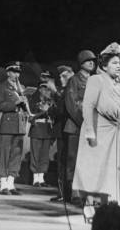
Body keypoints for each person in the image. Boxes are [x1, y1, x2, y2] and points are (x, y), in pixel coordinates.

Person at [72, 43, 120, 223]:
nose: (118, 66)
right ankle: (88, 207)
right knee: (92, 171)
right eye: (114, 63)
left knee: (108, 173)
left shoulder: (117, 83)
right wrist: (89, 131)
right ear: (104, 66)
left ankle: (106, 210)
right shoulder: (96, 79)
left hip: (112, 132)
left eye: (119, 63)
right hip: (97, 130)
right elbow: (88, 105)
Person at [64, 49, 96, 204]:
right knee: (73, 159)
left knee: (86, 161)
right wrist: (84, 122)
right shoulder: (74, 80)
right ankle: (74, 192)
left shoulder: (95, 80)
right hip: (76, 126)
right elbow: (71, 104)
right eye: (88, 60)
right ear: (81, 63)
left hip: (90, 127)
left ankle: (85, 191)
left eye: (93, 60)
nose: (92, 62)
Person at [0, 61, 28, 195]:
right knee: (5, 154)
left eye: (18, 72)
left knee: (16, 154)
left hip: (20, 124)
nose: (16, 74)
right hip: (8, 124)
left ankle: (11, 183)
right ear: (8, 73)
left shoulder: (21, 88)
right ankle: (3, 184)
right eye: (14, 72)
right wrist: (15, 103)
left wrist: (25, 104)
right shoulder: (2, 86)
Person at [49, 64, 74, 202]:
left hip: (68, 129)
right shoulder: (62, 91)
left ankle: (67, 193)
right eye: (60, 76)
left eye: (64, 75)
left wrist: (55, 93)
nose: (61, 78)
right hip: (61, 130)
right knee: (62, 163)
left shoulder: (66, 91)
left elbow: (61, 110)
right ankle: (63, 193)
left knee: (67, 162)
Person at [28, 81, 55, 187]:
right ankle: (35, 179)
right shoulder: (33, 101)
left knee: (44, 155)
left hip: (47, 129)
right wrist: (44, 112)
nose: (46, 91)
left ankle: (41, 178)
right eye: (44, 88)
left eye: (48, 89)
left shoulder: (51, 102)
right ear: (39, 89)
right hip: (37, 129)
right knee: (35, 155)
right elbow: (31, 116)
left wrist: (49, 110)